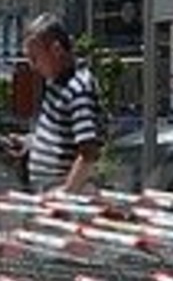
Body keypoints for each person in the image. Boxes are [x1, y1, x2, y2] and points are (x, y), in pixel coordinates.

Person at [11, 12, 104, 194]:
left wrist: (66, 195)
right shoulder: (56, 83)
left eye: (35, 58)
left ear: (56, 50)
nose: (32, 66)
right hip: (50, 191)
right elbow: (63, 137)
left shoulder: (78, 88)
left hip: (65, 196)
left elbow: (89, 153)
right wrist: (31, 143)